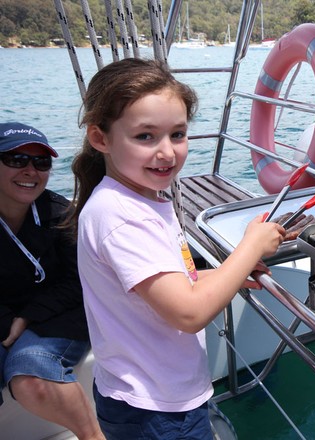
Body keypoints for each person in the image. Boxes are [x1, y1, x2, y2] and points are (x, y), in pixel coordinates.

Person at [65, 58, 285, 439]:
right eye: (145, 136)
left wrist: (222, 277)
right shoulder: (124, 216)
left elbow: (152, 283)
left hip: (143, 394)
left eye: (178, 134)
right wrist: (250, 247)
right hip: (156, 410)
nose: (167, 152)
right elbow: (188, 313)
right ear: (101, 138)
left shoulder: (133, 199)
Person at [0, 122, 104, 439]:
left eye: (41, 162)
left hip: (58, 313)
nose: (30, 170)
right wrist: (8, 323)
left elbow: (77, 281)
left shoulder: (60, 215)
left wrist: (27, 317)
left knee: (33, 372)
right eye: (17, 160)